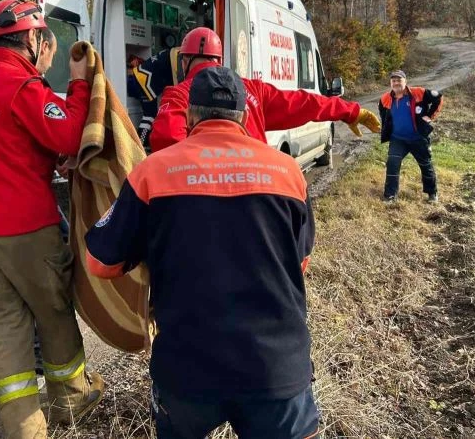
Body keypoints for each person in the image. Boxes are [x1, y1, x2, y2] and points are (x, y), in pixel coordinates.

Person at [86, 67, 321, 439]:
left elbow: (100, 262)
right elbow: (300, 263)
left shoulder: (152, 174)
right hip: (277, 370)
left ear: (189, 115)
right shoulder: (288, 172)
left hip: (186, 373)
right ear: (244, 116)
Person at [0, 0, 104, 438]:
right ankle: (72, 402)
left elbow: (6, 143)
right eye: (44, 40)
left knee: (4, 330)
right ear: (34, 38)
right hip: (23, 227)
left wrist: (46, 155)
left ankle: (24, 428)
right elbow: (72, 131)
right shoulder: (22, 86)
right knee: (53, 312)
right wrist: (77, 84)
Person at [149, 27, 381, 152]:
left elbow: (166, 141)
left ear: (184, 60)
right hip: (255, 193)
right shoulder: (251, 89)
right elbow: (304, 103)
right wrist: (350, 111)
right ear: (219, 59)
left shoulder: (178, 95)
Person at [378, 70, 443, 204]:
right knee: (392, 163)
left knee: (425, 164)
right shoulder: (385, 98)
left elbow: (438, 98)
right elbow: (383, 115)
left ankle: (432, 193)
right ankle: (390, 196)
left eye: (399, 80)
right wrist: (386, 129)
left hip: (418, 138)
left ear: (405, 81)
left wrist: (429, 116)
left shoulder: (418, 92)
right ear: (390, 83)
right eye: (393, 80)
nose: (396, 83)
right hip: (398, 139)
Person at [126, 47, 183, 150]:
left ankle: (141, 143)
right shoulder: (179, 57)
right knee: (149, 115)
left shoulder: (175, 52)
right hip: (143, 81)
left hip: (140, 77)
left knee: (150, 114)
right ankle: (140, 145)